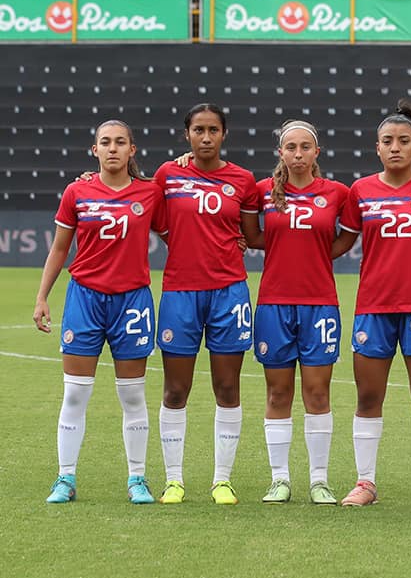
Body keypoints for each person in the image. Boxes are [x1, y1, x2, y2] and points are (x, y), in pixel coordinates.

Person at [34, 120, 164, 504]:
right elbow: (60, 248)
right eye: (105, 142)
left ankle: (137, 479)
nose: (112, 148)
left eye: (120, 142)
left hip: (132, 302)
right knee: (75, 394)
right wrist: (42, 297)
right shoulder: (77, 191)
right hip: (85, 299)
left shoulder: (150, 192)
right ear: (95, 150)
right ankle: (65, 478)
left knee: (133, 396)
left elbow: (177, 232)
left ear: (132, 149)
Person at [339, 103, 411, 507]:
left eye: (404, 141)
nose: (395, 147)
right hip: (374, 306)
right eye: (387, 141)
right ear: (377, 147)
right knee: (368, 398)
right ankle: (365, 482)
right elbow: (341, 242)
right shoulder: (360, 191)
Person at [241, 120, 356, 505]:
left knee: (317, 392)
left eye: (305, 147)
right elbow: (252, 236)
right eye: (290, 147)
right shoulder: (261, 191)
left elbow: (347, 236)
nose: (298, 154)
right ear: (281, 153)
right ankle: (280, 479)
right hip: (274, 304)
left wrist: (319, 255)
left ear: (316, 152)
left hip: (319, 304)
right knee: (278, 392)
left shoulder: (337, 193)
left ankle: (319, 480)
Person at [155, 103, 259, 505]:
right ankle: (174, 480)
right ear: (187, 135)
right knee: (175, 389)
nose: (205, 137)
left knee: (227, 386)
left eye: (213, 130)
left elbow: (249, 232)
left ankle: (222, 481)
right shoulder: (168, 174)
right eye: (198, 130)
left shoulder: (243, 180)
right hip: (181, 292)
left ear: (223, 134)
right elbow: (153, 216)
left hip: (229, 291)